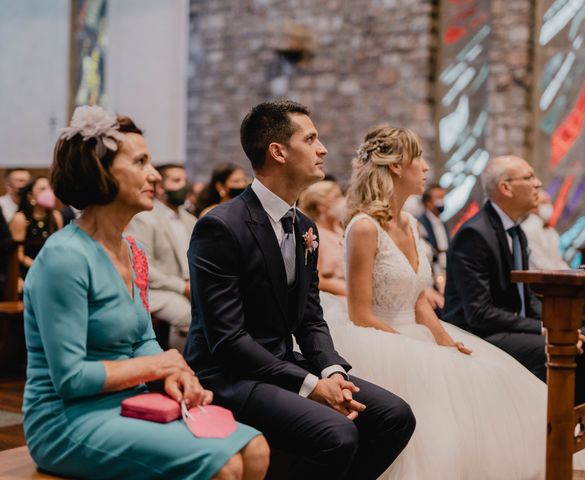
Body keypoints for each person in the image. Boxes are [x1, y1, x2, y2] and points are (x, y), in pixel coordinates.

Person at [321, 130, 585, 479]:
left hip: (418, 328)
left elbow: (419, 301)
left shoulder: (411, 224)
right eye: (418, 158)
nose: (426, 167)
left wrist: (445, 340)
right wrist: (415, 349)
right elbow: (360, 313)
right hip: (376, 337)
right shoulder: (364, 227)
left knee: (486, 373)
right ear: (397, 167)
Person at [22, 105, 268, 480]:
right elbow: (70, 379)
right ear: (100, 171)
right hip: (66, 419)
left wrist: (176, 375)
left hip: (132, 402)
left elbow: (142, 339)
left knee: (255, 449)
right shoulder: (65, 257)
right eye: (140, 162)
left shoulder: (132, 249)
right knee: (224, 466)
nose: (154, 174)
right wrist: (159, 365)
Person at [184, 100, 415, 480]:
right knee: (338, 433)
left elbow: (310, 317)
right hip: (227, 373)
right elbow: (227, 340)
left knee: (394, 416)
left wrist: (332, 370)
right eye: (311, 139)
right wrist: (310, 385)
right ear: (278, 151)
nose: (322, 148)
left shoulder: (304, 225)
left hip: (280, 362)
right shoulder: (222, 226)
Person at [443, 155, 585, 405]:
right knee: (562, 346)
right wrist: (546, 329)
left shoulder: (515, 230)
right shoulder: (474, 234)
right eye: (529, 177)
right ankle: (545, 419)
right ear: (505, 187)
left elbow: (526, 295)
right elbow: (478, 313)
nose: (538, 183)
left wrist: (554, 323)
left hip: (508, 327)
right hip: (479, 333)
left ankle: (566, 420)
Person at [126, 163, 196, 351]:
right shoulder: (145, 217)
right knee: (186, 313)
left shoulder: (190, 219)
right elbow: (143, 267)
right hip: (156, 289)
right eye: (176, 181)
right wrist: (182, 287)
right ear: (161, 188)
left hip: (188, 285)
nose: (184, 186)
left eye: (185, 180)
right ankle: (181, 363)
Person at [298, 180, 347, 296]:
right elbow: (318, 279)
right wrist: (349, 291)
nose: (343, 201)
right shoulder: (315, 235)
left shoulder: (340, 229)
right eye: (337, 197)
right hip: (335, 296)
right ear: (321, 206)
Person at [9, 176, 63, 280]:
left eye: (50, 188)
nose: (48, 192)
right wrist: (39, 266)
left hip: (52, 271)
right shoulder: (20, 219)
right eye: (42, 189)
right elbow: (17, 255)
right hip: (28, 273)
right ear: (30, 195)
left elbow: (59, 248)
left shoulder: (56, 216)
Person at [520, 190, 570, 269]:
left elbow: (558, 260)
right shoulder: (527, 229)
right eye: (544, 202)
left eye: (549, 202)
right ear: (533, 207)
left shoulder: (551, 231)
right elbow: (540, 263)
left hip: (556, 277)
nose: (549, 206)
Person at [416, 185, 449, 293]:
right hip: (431, 275)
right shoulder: (420, 223)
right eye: (438, 198)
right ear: (428, 203)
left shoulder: (443, 223)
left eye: (443, 197)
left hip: (446, 271)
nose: (442, 201)